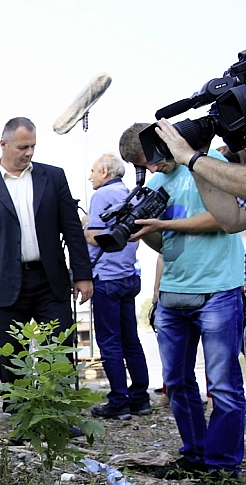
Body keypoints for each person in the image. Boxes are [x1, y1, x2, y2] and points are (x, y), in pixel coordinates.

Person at [118, 122, 244, 485]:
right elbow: (164, 246)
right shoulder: (156, 184)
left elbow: (225, 219)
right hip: (173, 294)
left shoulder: (209, 163)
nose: (154, 169)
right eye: (146, 166)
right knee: (176, 380)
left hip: (217, 290)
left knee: (222, 384)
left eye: (151, 160)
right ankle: (195, 454)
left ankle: (221, 469)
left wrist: (166, 224)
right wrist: (147, 231)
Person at [0, 117, 94, 392]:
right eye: (23, 147)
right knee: (11, 355)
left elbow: (72, 229)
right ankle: (21, 422)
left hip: (50, 280)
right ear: (4, 144)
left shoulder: (54, 177)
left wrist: (83, 274)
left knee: (58, 348)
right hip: (3, 285)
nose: (29, 153)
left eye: (32, 146)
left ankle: (61, 417)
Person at [83, 154, 151, 421]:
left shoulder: (102, 196)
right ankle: (140, 398)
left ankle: (118, 401)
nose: (90, 176)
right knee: (131, 339)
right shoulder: (131, 194)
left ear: (104, 170)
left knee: (109, 341)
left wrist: (82, 227)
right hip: (128, 275)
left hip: (107, 277)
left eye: (92, 171)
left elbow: (97, 239)